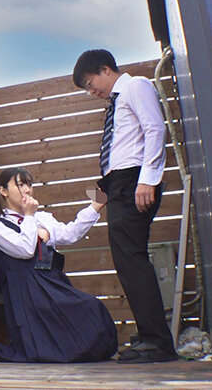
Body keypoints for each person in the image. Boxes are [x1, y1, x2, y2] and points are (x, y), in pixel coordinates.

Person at [72, 49, 177, 363]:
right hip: (120, 183)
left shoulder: (135, 86)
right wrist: (101, 194)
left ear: (105, 69)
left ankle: (158, 342)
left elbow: (155, 129)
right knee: (127, 262)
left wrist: (148, 179)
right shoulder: (116, 102)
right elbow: (118, 153)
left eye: (90, 83)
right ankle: (149, 335)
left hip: (134, 181)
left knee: (131, 260)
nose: (91, 91)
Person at [0, 166, 118, 363]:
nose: (27, 190)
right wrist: (30, 218)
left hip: (50, 281)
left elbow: (70, 234)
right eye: (20, 185)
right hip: (25, 291)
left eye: (29, 184)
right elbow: (25, 249)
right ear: (3, 191)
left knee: (92, 308)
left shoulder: (42, 217)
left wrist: (95, 206)